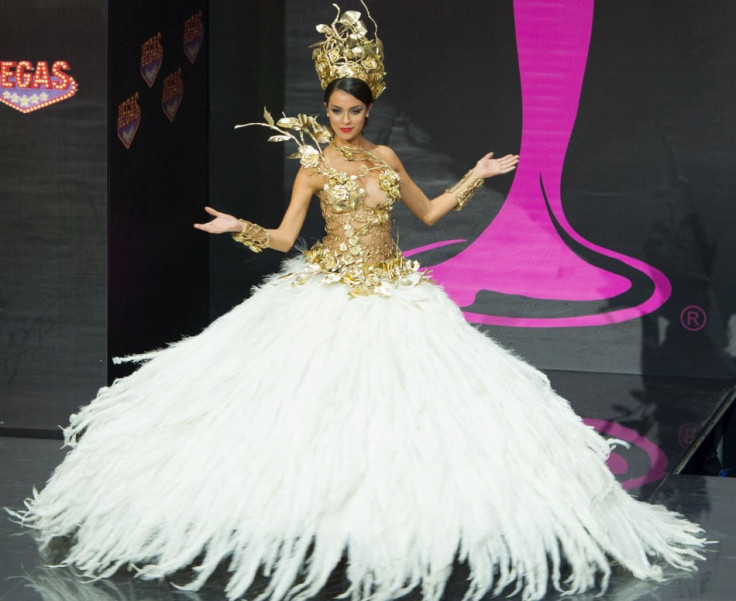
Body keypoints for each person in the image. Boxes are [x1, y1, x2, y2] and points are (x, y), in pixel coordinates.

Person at [11, 5, 706, 601]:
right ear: (327, 109)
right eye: (335, 110)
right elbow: (286, 233)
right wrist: (239, 228)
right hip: (324, 292)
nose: (344, 120)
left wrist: (476, 176)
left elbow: (429, 215)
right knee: (307, 411)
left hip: (396, 296)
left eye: (353, 110)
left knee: (413, 416)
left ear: (367, 108)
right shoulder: (315, 165)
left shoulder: (385, 161)